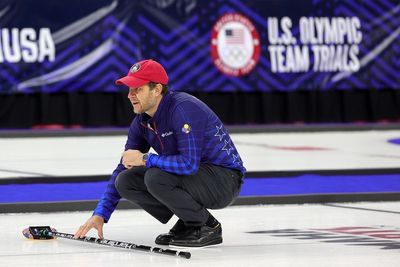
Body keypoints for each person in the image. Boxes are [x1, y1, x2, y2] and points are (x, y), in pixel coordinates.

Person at [74, 59, 245, 247]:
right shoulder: (141, 122)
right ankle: (190, 219)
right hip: (198, 177)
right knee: (125, 180)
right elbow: (124, 166)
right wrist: (100, 214)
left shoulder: (183, 109)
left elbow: (188, 164)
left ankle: (207, 226)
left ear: (156, 89)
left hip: (224, 180)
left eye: (137, 89)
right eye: (129, 89)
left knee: (156, 177)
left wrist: (146, 158)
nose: (130, 95)